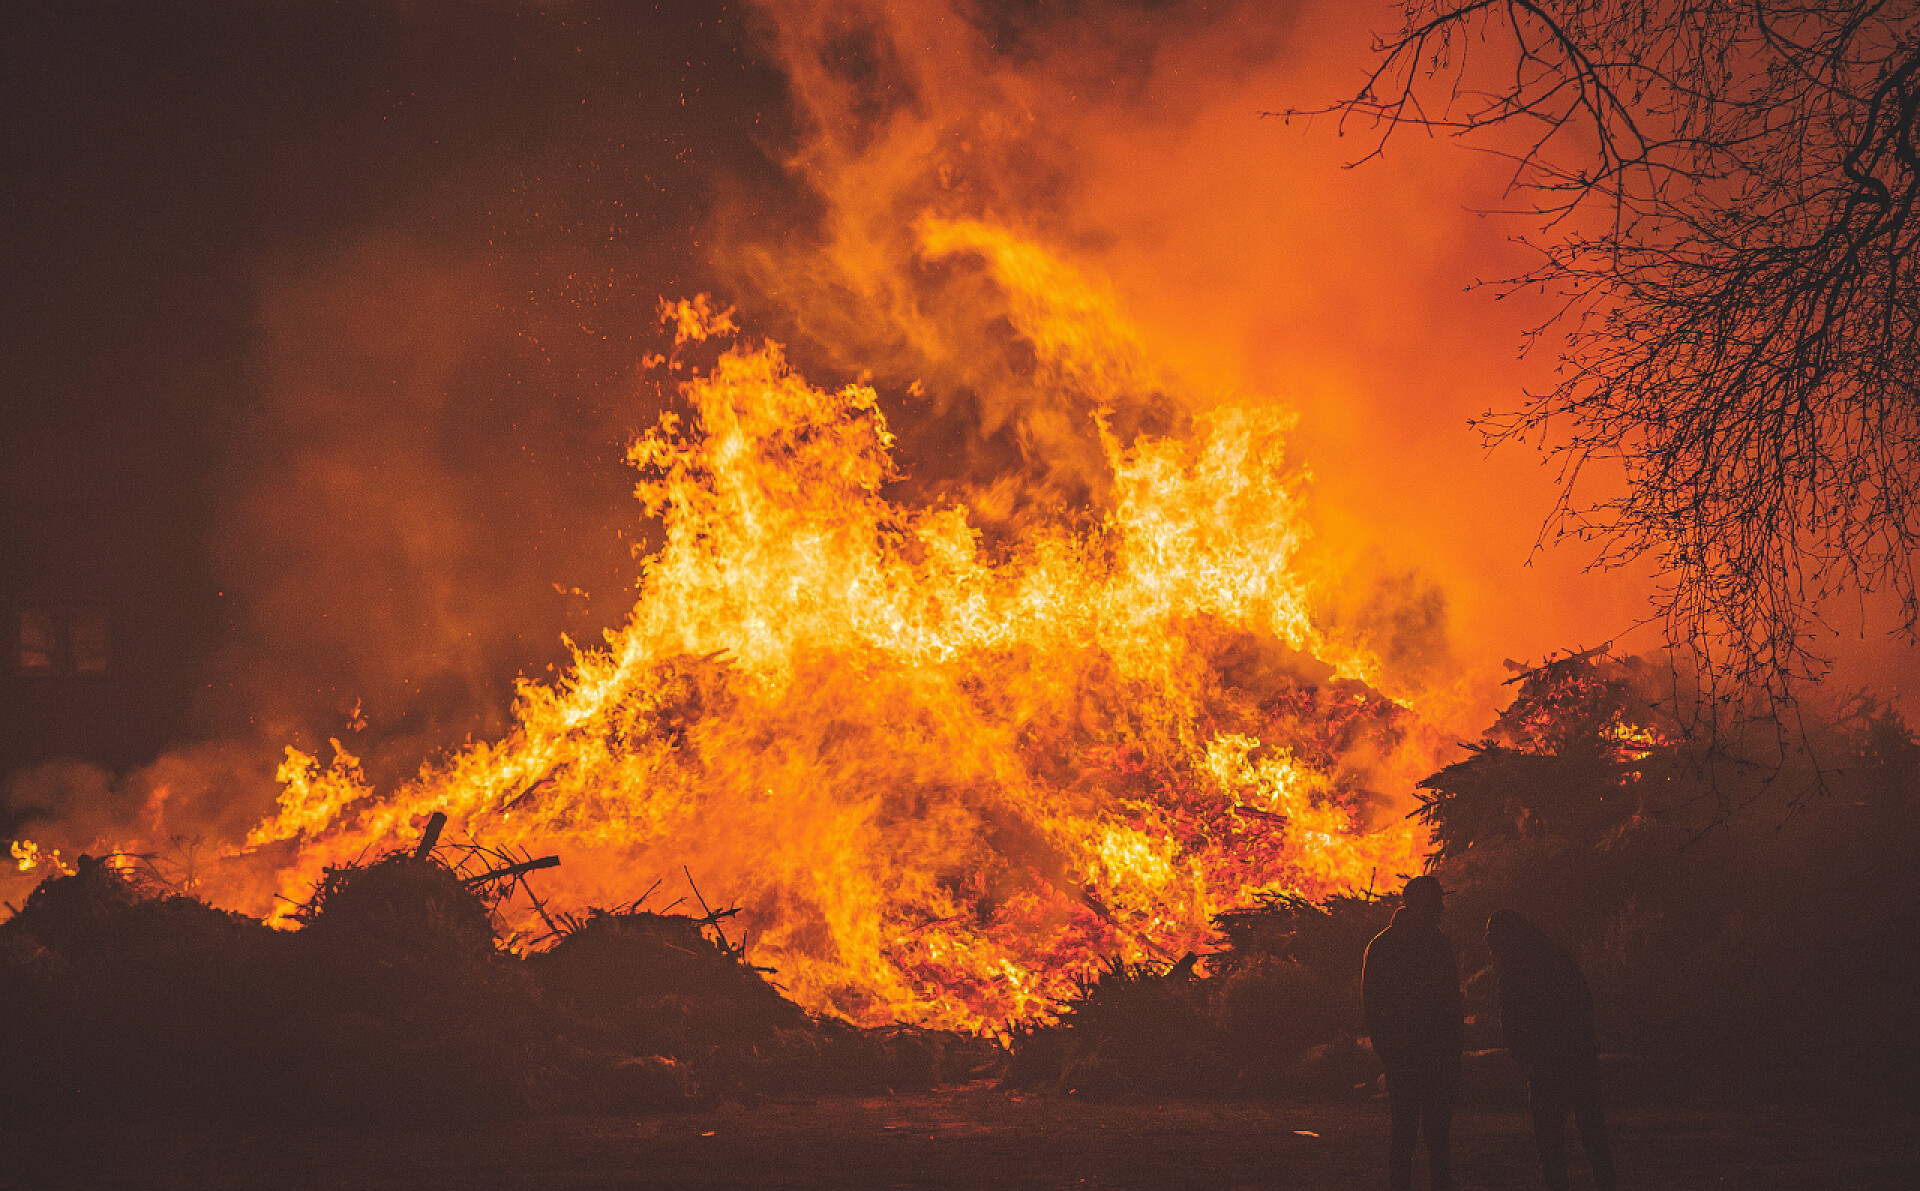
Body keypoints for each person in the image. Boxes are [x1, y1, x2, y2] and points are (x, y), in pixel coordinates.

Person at [1485, 910, 1617, 1191]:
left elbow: (1514, 1020)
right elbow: (1584, 1001)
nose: (1488, 943)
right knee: (1594, 1138)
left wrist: (1527, 1050)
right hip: (1579, 1059)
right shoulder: (1556, 957)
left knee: (1550, 1146)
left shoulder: (1516, 971)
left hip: (1547, 1065)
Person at [1363, 875, 1464, 1191]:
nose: (1442, 908)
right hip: (1414, 1056)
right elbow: (1373, 1006)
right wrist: (1391, 1052)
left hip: (1425, 1056)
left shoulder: (1400, 944)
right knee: (1415, 1136)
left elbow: (1451, 1003)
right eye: (1437, 901)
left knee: (1423, 1137)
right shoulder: (1394, 946)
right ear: (1422, 905)